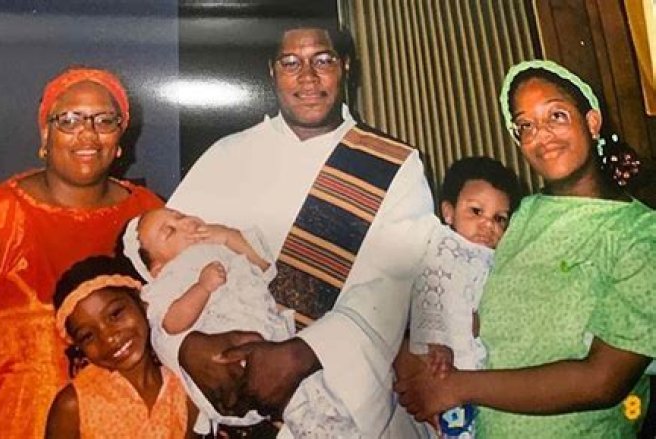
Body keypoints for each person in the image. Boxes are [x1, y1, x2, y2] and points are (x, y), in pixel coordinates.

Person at [165, 24, 473, 438]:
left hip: (341, 404)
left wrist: (301, 354)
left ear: (345, 66)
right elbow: (164, 263)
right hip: (228, 405)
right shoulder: (226, 155)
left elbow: (393, 286)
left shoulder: (394, 165)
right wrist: (184, 345)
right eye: (291, 63)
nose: (308, 77)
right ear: (272, 71)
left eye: (322, 60)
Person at [395, 59, 656, 438]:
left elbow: (603, 381)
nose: (542, 135)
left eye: (556, 115)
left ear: (592, 122)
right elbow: (477, 307)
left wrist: (455, 386)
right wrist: (423, 352)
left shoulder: (640, 234)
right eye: (526, 126)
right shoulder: (519, 216)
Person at [0, 67, 163, 438]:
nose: (88, 133)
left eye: (104, 120)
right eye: (70, 120)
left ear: (120, 135)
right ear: (45, 134)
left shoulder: (149, 215)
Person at [121, 207, 360, 437]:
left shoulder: (218, 246)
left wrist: (226, 236)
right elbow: (172, 323)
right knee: (294, 399)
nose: (184, 223)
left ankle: (341, 428)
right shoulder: (169, 278)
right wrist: (202, 288)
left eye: (180, 216)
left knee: (317, 390)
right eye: (170, 231)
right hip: (229, 358)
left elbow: (264, 265)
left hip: (270, 336)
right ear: (157, 268)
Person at [407, 157, 522, 438]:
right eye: (476, 211)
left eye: (499, 218)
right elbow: (429, 291)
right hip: (446, 356)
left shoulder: (496, 257)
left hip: (479, 364)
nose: (487, 225)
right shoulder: (445, 247)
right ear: (449, 213)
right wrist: (436, 340)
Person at [45, 255, 193, 439]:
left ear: (140, 302)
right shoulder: (74, 405)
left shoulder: (184, 385)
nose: (108, 338)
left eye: (115, 314)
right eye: (88, 336)